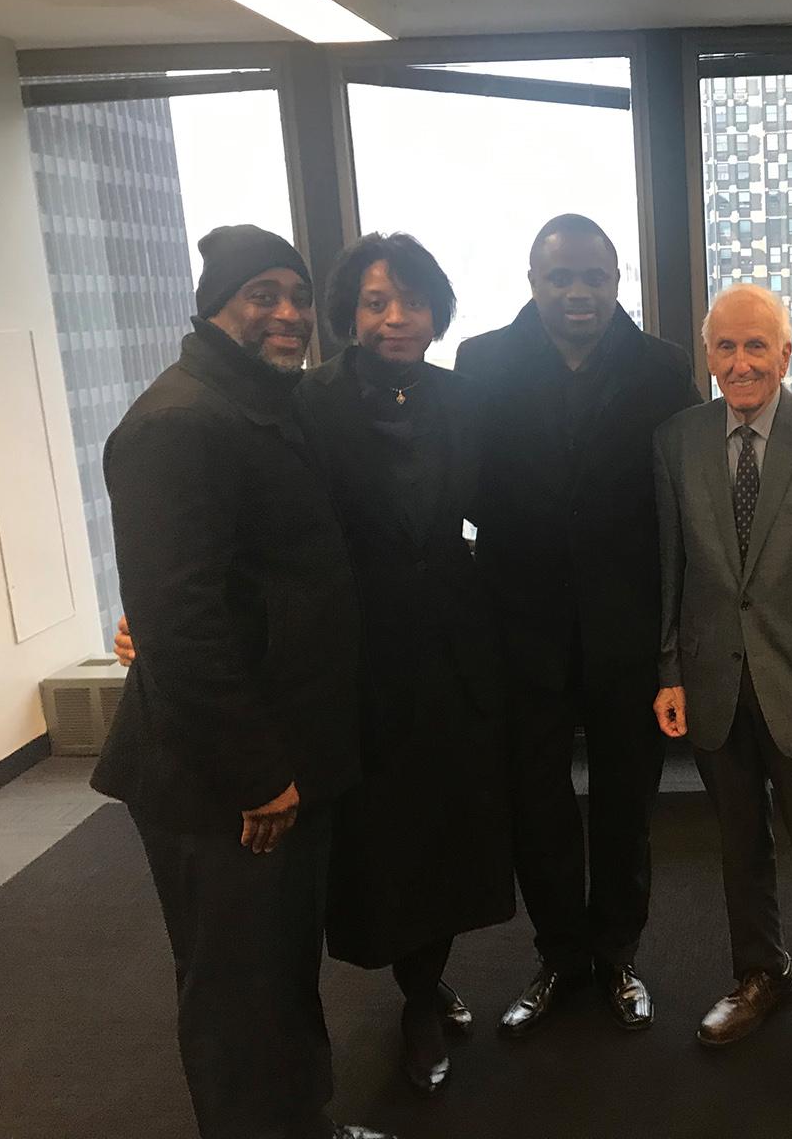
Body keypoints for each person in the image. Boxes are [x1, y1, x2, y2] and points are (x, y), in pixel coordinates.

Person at [92, 225, 390, 1139]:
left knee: (280, 973)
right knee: (233, 997)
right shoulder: (174, 422)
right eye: (263, 294)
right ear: (214, 305)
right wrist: (256, 774)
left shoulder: (265, 401)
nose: (289, 314)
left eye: (298, 296)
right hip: (221, 780)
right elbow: (179, 625)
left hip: (281, 754)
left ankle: (307, 1122)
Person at [455, 214, 701, 1034]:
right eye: (560, 277)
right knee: (537, 802)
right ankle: (560, 952)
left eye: (594, 276)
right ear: (533, 281)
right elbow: (462, 489)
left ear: (616, 280)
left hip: (627, 631)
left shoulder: (665, 370)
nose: (578, 292)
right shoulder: (481, 364)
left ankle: (618, 952)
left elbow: (681, 507)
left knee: (627, 802)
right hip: (518, 628)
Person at [303, 233, 517, 1090]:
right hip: (353, 646)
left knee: (445, 823)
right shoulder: (308, 404)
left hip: (451, 642)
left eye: (413, 301)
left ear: (437, 311)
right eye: (376, 302)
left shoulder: (463, 401)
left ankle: (425, 988)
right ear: (349, 314)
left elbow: (498, 516)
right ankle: (408, 985)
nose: (397, 318)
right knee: (377, 832)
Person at [652, 283, 792, 1080]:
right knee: (737, 840)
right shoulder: (676, 439)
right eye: (725, 347)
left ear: (786, 354)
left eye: (756, 347)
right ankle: (761, 972)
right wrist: (670, 668)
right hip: (713, 678)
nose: (740, 363)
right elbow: (671, 570)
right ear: (706, 356)